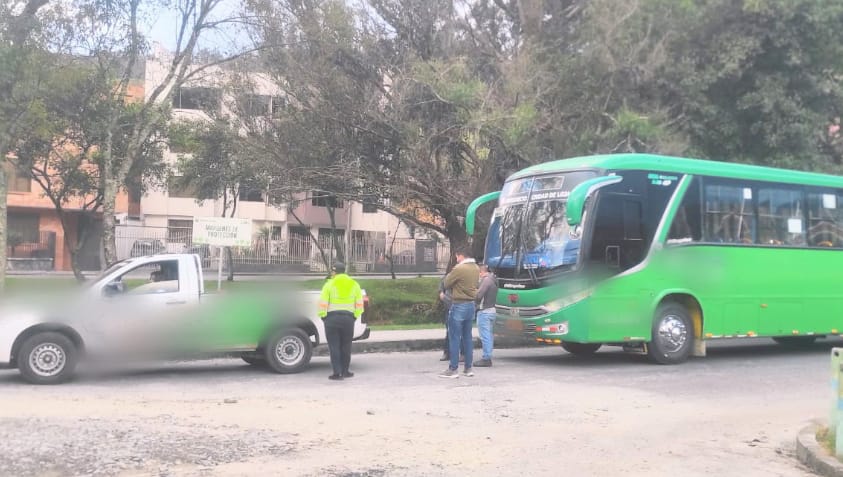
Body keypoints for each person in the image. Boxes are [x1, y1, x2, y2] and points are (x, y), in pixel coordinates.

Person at [317, 262, 365, 381]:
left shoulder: (329, 284)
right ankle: (346, 371)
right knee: (346, 346)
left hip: (332, 319)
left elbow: (323, 302)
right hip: (348, 319)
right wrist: (354, 317)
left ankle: (337, 373)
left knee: (334, 346)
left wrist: (324, 317)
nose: (332, 273)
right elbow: (359, 304)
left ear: (335, 272)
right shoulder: (354, 284)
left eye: (332, 271)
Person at [438, 247, 479, 379]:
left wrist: (453, 271)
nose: (456, 259)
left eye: (457, 257)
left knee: (454, 337)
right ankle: (468, 368)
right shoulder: (476, 268)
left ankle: (453, 369)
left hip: (459, 304)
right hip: (471, 305)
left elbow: (446, 282)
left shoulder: (460, 268)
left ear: (461, 256)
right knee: (467, 337)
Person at [474, 264, 498, 367]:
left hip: (485, 311)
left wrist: (474, 291)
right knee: (489, 336)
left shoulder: (486, 280)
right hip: (492, 310)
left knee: (485, 336)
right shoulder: (493, 279)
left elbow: (479, 296)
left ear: (481, 272)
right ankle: (488, 356)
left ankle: (486, 358)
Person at [438, 274, 452, 361]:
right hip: (448, 307)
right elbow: (441, 287)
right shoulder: (447, 277)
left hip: (459, 306)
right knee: (449, 331)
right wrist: (441, 292)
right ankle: (447, 353)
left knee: (462, 332)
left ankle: (463, 353)